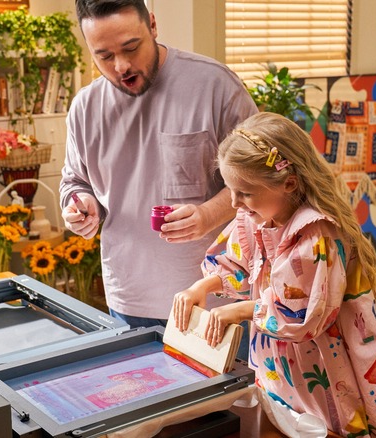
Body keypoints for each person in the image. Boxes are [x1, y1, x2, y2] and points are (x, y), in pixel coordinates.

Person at [172, 112, 376, 437]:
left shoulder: (316, 235)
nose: (235, 202)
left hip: (319, 376)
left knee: (320, 430)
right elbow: (235, 264)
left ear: (288, 183)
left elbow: (301, 314)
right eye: (230, 189)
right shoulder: (255, 217)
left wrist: (239, 310)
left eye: (245, 193)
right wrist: (203, 286)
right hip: (275, 368)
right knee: (280, 423)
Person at [59, 0, 258, 329]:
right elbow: (74, 182)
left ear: (152, 25)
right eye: (104, 56)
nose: (121, 66)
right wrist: (78, 206)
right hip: (127, 298)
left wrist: (208, 214)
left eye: (131, 47)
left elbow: (262, 178)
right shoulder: (85, 108)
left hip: (215, 300)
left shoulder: (215, 86)